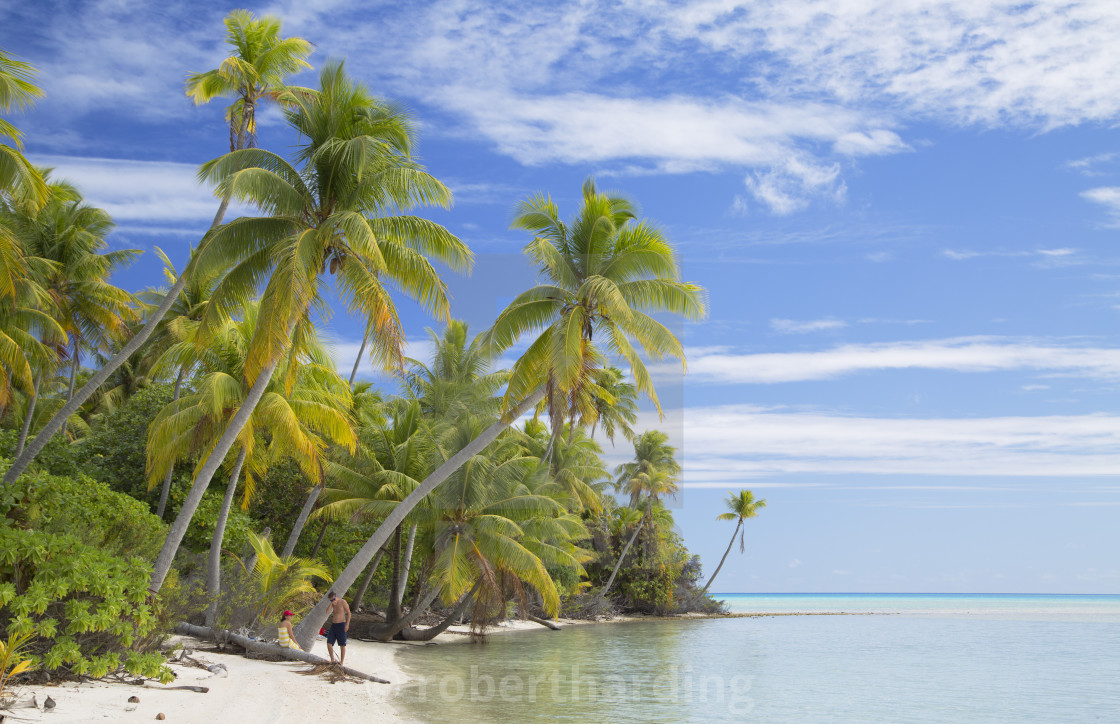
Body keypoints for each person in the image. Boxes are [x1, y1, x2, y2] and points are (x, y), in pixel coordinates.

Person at [325, 591, 351, 666]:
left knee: (342, 645)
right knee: (329, 643)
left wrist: (347, 624)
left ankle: (341, 662)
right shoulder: (332, 604)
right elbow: (327, 612)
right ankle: (332, 660)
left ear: (336, 596)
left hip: (341, 624)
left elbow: (349, 613)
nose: (333, 601)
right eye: (331, 600)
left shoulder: (342, 602)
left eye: (333, 599)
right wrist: (331, 603)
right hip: (334, 625)